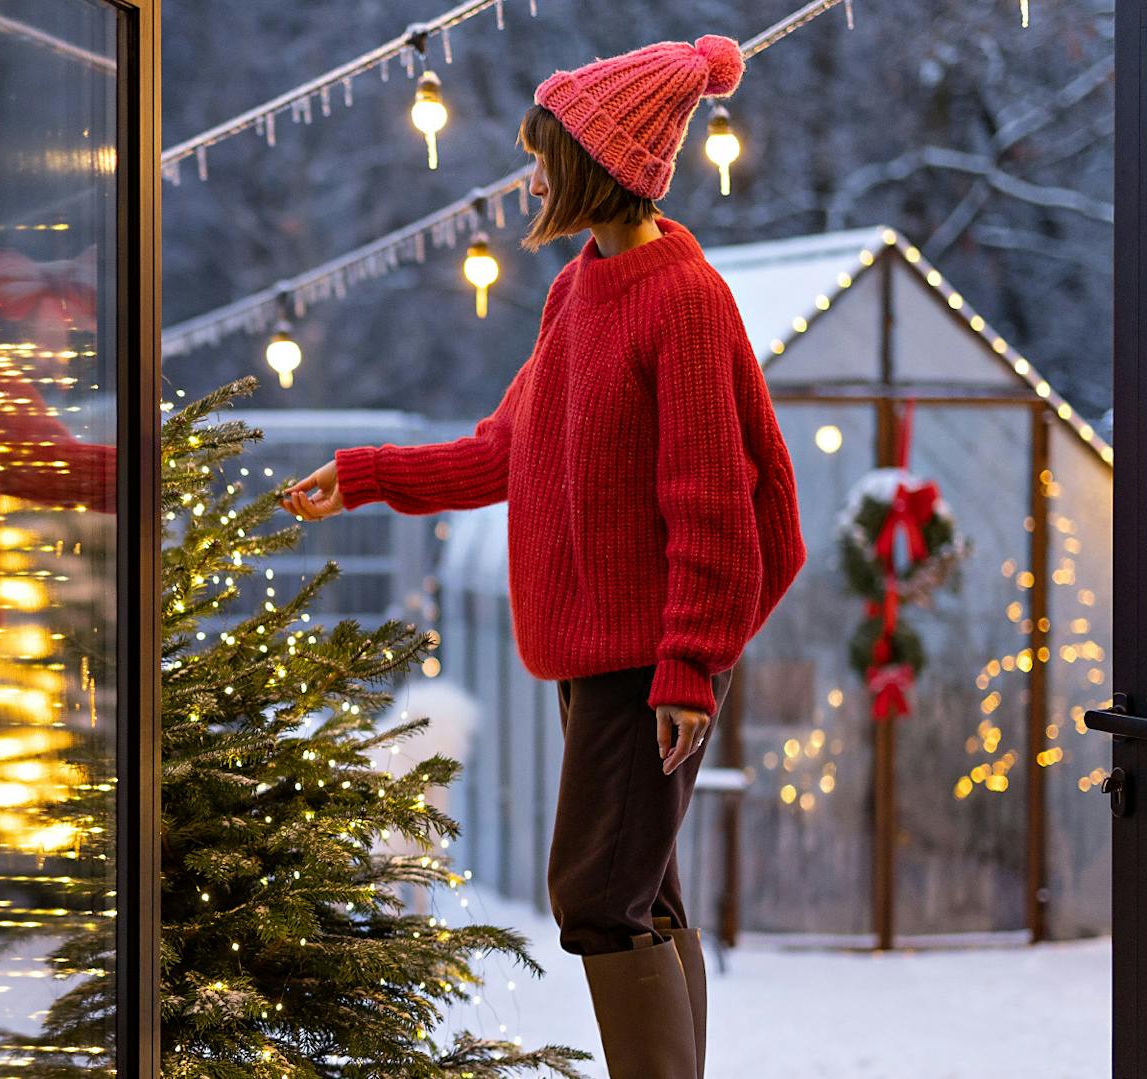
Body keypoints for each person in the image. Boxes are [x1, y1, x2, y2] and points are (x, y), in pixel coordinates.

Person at [282, 34, 806, 1079]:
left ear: (595, 164)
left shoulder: (683, 298)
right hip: (595, 656)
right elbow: (505, 449)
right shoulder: (580, 292)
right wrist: (370, 473)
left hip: (653, 659)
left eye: (543, 154)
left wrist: (690, 664)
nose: (529, 177)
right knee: (637, 892)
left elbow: (714, 500)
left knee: (595, 896)